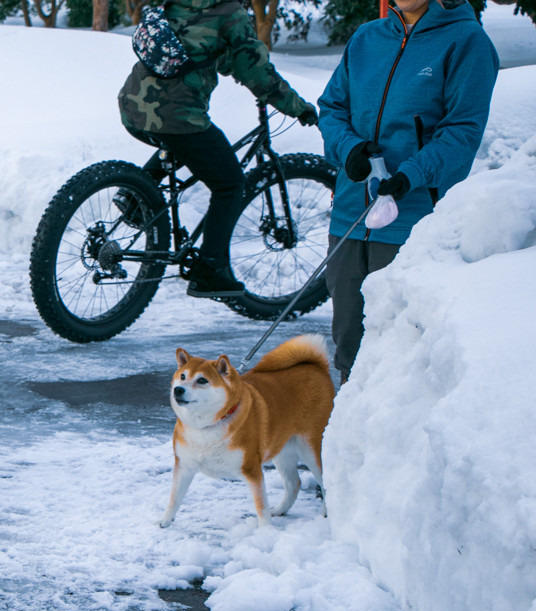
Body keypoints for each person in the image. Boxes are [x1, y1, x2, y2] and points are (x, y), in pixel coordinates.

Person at [318, 0, 497, 383]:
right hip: (351, 217)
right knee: (349, 350)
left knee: (400, 361)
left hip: (413, 224)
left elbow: (462, 130)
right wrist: (349, 149)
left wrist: (411, 174)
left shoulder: (467, 41)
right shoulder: (367, 38)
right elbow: (332, 108)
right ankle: (351, 441)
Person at [118, 0, 319, 298]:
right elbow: (257, 72)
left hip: (132, 107)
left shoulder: (174, 2)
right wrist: (297, 107)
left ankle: (135, 195)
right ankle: (210, 269)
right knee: (229, 183)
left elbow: (203, 49)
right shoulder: (229, 13)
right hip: (179, 115)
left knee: (182, 146)